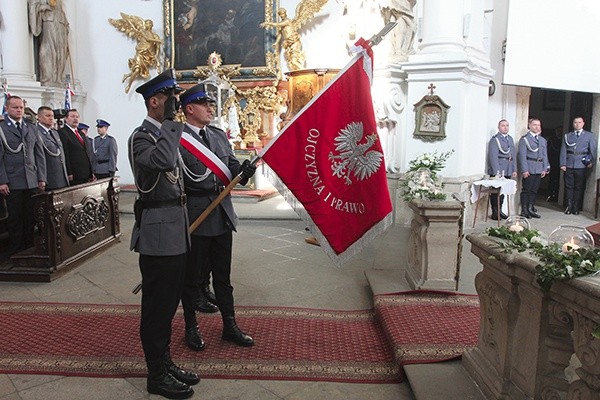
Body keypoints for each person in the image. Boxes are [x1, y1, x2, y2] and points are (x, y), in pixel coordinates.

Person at [129, 69, 198, 399]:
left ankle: (165, 361)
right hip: (158, 233)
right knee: (156, 307)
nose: (175, 104)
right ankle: (155, 374)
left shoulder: (168, 132)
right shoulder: (141, 137)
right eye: (170, 99)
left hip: (176, 228)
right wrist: (172, 122)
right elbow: (163, 160)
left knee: (169, 304)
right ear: (154, 101)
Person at [177, 83, 257, 352]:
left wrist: (243, 170)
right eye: (204, 104)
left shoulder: (219, 135)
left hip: (221, 214)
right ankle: (191, 327)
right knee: (191, 278)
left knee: (223, 277)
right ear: (189, 109)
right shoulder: (177, 139)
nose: (211, 108)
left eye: (211, 103)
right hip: (196, 216)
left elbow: (231, 165)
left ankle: (229, 326)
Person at [0, 96, 46, 259]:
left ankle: (29, 245)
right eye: (15, 108)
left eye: (21, 107)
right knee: (15, 217)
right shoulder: (2, 128)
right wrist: (2, 180)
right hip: (13, 181)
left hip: (31, 179)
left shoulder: (31, 127)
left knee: (30, 215)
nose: (19, 110)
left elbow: (39, 154)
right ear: (7, 109)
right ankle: (16, 248)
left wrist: (41, 178)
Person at [560, 116, 597, 215]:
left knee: (578, 187)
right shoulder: (568, 136)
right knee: (568, 186)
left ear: (583, 124)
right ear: (573, 124)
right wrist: (563, 163)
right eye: (575, 122)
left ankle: (576, 207)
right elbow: (563, 150)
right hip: (569, 163)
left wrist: (591, 162)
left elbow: (592, 150)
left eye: (579, 122)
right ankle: (569, 206)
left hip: (581, 164)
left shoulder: (589, 136)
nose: (577, 124)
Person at [27, 0, 70, 87]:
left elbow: (61, 11)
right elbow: (33, 5)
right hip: (47, 22)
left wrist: (66, 24)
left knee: (61, 54)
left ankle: (58, 78)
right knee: (47, 51)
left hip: (60, 25)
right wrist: (40, 8)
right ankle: (48, 78)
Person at [517, 118, 550, 219]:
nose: (537, 127)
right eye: (534, 125)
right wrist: (524, 169)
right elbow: (522, 155)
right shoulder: (525, 139)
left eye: (538, 125)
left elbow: (544, 155)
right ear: (530, 126)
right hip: (529, 166)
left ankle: (531, 208)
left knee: (534, 190)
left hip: (539, 167)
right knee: (526, 189)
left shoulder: (542, 140)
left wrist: (545, 167)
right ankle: (524, 210)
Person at [486, 119, 517, 220]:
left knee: (503, 191)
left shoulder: (510, 139)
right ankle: (495, 211)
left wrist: (513, 169)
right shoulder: (495, 140)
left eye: (507, 125)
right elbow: (493, 157)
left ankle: (500, 210)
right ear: (498, 127)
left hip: (507, 168)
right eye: (503, 126)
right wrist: (496, 172)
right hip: (498, 168)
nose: (505, 127)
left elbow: (512, 155)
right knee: (496, 192)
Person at [36, 106, 69, 190]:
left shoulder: (54, 133)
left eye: (52, 116)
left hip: (61, 177)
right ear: (39, 117)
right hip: (49, 178)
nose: (51, 118)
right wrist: (41, 178)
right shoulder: (36, 133)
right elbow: (38, 158)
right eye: (48, 116)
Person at [58, 109, 93, 185]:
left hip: (86, 173)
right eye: (72, 116)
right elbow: (65, 154)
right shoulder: (62, 132)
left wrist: (91, 172)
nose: (75, 119)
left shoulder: (81, 133)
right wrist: (69, 172)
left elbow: (87, 152)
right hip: (75, 173)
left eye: (77, 117)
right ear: (66, 119)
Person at [546, 126, 563, 202]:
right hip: (552, 162)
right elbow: (548, 152)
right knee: (552, 180)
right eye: (557, 131)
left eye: (560, 131)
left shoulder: (563, 140)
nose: (559, 132)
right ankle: (550, 194)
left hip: (560, 163)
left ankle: (557, 195)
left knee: (559, 181)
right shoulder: (552, 140)